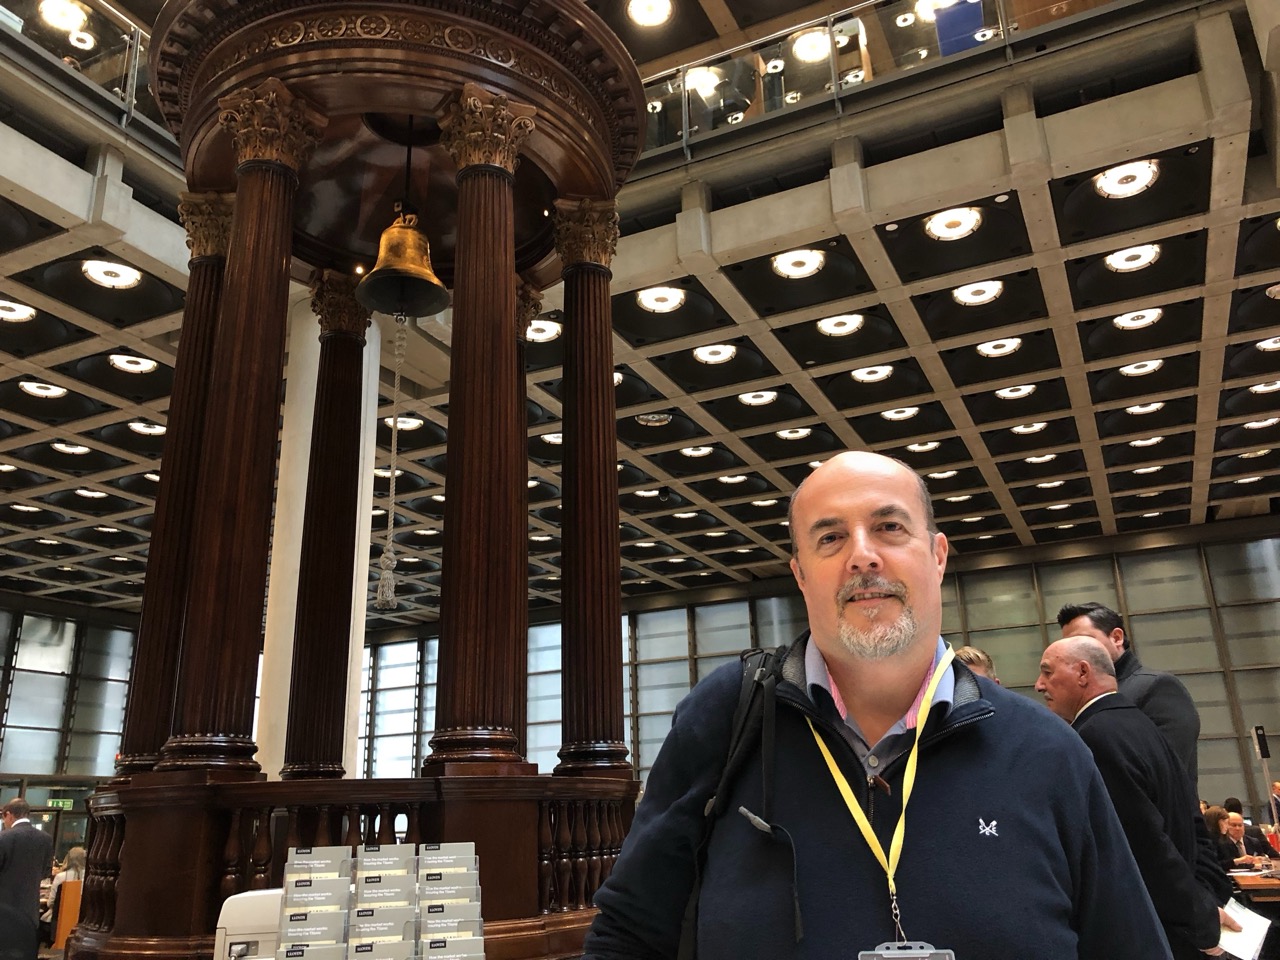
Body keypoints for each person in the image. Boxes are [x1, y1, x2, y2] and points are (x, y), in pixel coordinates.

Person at [583, 450, 1172, 960]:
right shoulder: (726, 718)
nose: (862, 556)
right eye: (830, 537)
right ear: (800, 575)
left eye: (889, 527)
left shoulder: (1046, 751)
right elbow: (630, 934)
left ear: (938, 556)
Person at [1035, 636, 1236, 959]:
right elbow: (1191, 818)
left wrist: (1199, 917)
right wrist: (1207, 895)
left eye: (1047, 672)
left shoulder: (1093, 737)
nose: (1039, 685)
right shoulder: (1143, 725)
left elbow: (1142, 844)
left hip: (1144, 930)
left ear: (1083, 673)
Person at [1057, 601, 1200, 784]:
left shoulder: (1158, 687)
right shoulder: (1081, 698)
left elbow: (1167, 768)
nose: (1076, 652)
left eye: (1084, 641)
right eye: (1070, 646)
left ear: (1117, 637)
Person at [0, 798, 54, 960]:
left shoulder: (4, 838)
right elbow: (46, 872)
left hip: (4, 910)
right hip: (30, 910)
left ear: (8, 814)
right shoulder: (46, 839)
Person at [39, 844, 85, 945]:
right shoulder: (88, 877)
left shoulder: (61, 877)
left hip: (58, 920)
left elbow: (50, 903)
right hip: (80, 921)